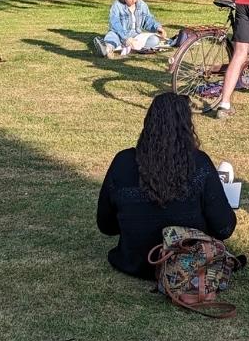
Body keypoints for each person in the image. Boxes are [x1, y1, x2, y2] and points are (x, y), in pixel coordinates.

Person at [96, 92, 237, 278]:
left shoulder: (123, 162)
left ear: (148, 123)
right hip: (185, 262)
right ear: (188, 127)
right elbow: (224, 227)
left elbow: (107, 226)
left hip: (134, 262)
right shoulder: (199, 164)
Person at [94, 0, 170, 59]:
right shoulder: (117, 5)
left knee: (155, 40)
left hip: (136, 35)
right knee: (111, 37)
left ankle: (129, 47)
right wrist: (126, 38)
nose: (133, 0)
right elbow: (115, 24)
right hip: (120, 35)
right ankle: (107, 49)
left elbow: (148, 19)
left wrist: (157, 27)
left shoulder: (142, 5)